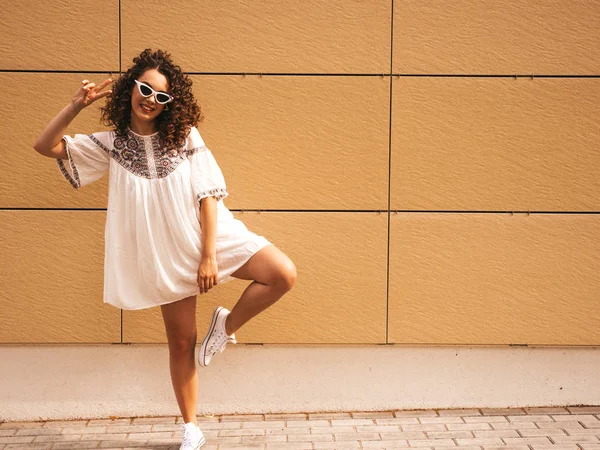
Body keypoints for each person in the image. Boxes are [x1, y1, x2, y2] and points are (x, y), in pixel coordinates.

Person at [33, 48, 297, 450]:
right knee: (179, 342)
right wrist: (74, 107)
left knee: (281, 273)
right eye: (145, 89)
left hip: (208, 236)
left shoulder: (185, 136)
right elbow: (45, 146)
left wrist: (208, 256)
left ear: (172, 103)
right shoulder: (112, 145)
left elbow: (209, 195)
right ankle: (191, 428)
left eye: (162, 96)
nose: (151, 100)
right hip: (165, 252)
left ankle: (224, 328)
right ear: (130, 89)